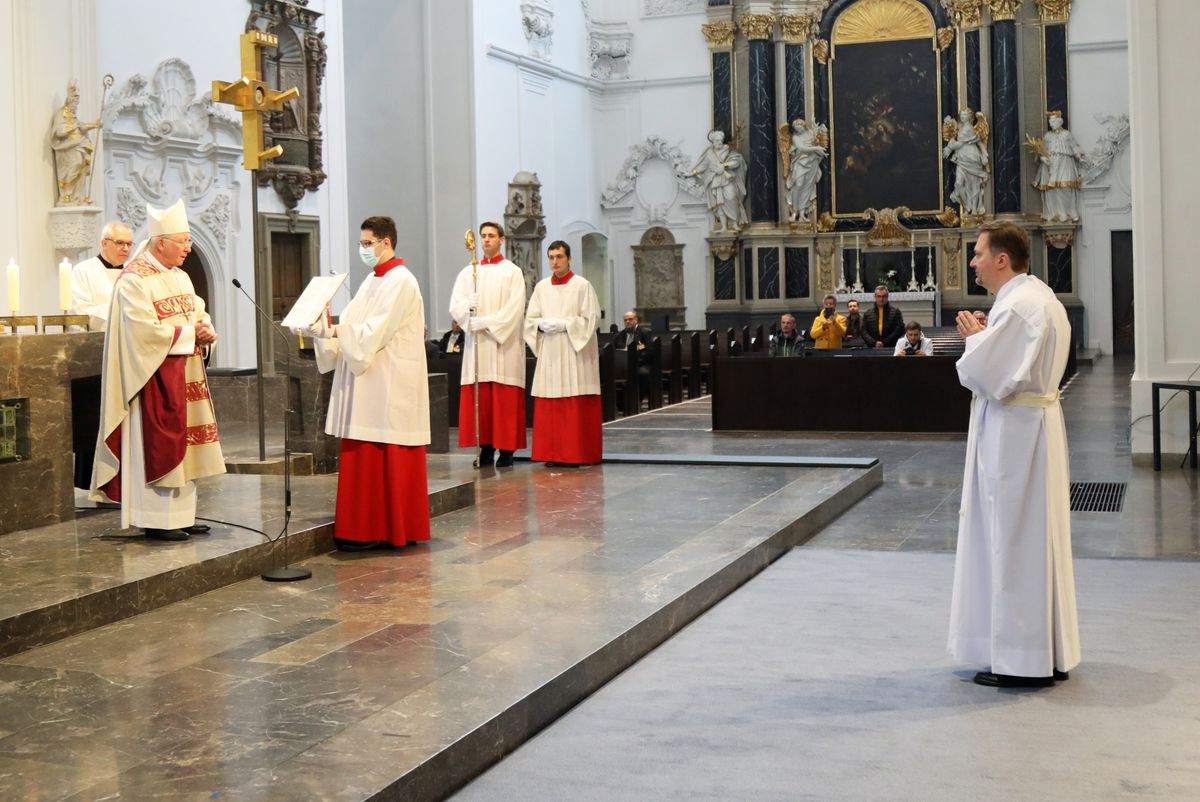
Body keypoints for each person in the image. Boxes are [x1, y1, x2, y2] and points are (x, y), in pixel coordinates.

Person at [948, 221, 1079, 688]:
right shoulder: (1042, 297)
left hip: (1014, 436)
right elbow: (1014, 361)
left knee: (1012, 540)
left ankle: (1020, 661)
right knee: (1038, 539)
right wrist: (989, 338)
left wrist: (974, 340)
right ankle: (1048, 652)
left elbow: (987, 374)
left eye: (979, 253)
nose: (973, 262)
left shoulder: (1019, 306)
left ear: (1002, 259)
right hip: (1034, 426)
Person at [89, 199, 223, 542]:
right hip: (151, 379)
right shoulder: (134, 280)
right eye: (183, 241)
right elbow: (143, 333)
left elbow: (197, 313)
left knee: (187, 447)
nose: (188, 248)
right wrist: (192, 334)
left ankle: (182, 516)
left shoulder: (181, 277)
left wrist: (205, 329)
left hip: (185, 373)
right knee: (159, 445)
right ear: (161, 243)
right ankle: (156, 519)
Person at [298, 216, 431, 551]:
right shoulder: (373, 279)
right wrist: (323, 328)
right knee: (364, 451)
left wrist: (333, 331)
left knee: (384, 451)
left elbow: (376, 331)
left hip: (389, 380)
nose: (363, 249)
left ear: (387, 242)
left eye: (368, 243)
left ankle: (382, 529)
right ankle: (361, 527)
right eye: (361, 244)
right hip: (369, 379)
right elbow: (353, 322)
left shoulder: (402, 281)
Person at [449, 221, 527, 468]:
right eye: (483, 235)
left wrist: (484, 321)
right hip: (479, 346)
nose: (486, 240)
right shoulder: (468, 272)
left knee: (504, 400)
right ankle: (485, 448)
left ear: (501, 240)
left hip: (504, 346)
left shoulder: (512, 272)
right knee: (481, 399)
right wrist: (467, 308)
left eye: (491, 235)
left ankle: (507, 451)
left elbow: (514, 310)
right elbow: (455, 306)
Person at [524, 241, 602, 467]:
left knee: (572, 401)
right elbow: (530, 320)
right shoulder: (541, 287)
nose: (555, 261)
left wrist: (566, 324)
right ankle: (553, 454)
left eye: (559, 256)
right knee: (550, 404)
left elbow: (591, 319)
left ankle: (574, 454)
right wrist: (540, 325)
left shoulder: (582, 285)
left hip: (573, 352)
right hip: (550, 351)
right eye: (551, 257)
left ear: (569, 258)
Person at [71, 221, 134, 331]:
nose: (125, 248)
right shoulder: (83, 270)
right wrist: (118, 315)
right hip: (96, 337)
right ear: (104, 244)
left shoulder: (134, 271)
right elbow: (81, 310)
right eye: (120, 243)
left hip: (130, 335)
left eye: (129, 244)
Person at [51, 81, 100, 206]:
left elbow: (82, 127)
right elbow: (59, 132)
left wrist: (95, 125)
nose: (76, 107)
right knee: (76, 164)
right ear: (69, 102)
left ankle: (78, 196)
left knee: (82, 167)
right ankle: (67, 194)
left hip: (79, 144)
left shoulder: (73, 116)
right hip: (68, 146)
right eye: (74, 104)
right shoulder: (61, 114)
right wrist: (73, 127)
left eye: (77, 105)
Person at [690, 129, 748, 233]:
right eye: (717, 140)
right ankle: (724, 226)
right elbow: (703, 166)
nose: (719, 142)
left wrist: (724, 166)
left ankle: (735, 224)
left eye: (721, 140)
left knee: (732, 197)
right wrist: (693, 172)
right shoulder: (709, 153)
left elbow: (737, 161)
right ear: (713, 141)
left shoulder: (728, 150)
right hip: (715, 181)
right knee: (719, 203)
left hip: (727, 179)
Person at [1033, 111, 1086, 223]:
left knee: (1065, 187)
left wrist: (1079, 156)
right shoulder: (1047, 135)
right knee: (1053, 189)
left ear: (1060, 121)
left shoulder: (1066, 134)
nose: (1051, 124)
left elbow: (1074, 146)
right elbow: (1042, 150)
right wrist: (1042, 158)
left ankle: (1070, 211)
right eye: (1050, 122)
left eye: (1053, 121)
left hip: (1065, 162)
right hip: (1051, 164)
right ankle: (1056, 213)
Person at [943, 108, 989, 217]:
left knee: (974, 185)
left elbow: (959, 144)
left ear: (970, 117)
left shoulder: (968, 129)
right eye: (961, 115)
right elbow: (956, 137)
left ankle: (974, 209)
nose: (962, 117)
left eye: (965, 115)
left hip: (971, 158)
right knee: (959, 184)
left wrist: (949, 148)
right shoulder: (962, 127)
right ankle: (968, 206)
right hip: (962, 159)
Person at [785, 119, 827, 224]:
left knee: (807, 186)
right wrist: (816, 148)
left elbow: (819, 139)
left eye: (799, 127)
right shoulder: (795, 137)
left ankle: (802, 213)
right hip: (800, 162)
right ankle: (794, 211)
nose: (797, 130)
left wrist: (819, 137)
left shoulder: (811, 133)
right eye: (795, 129)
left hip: (812, 162)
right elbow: (802, 148)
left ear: (803, 125)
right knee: (798, 185)